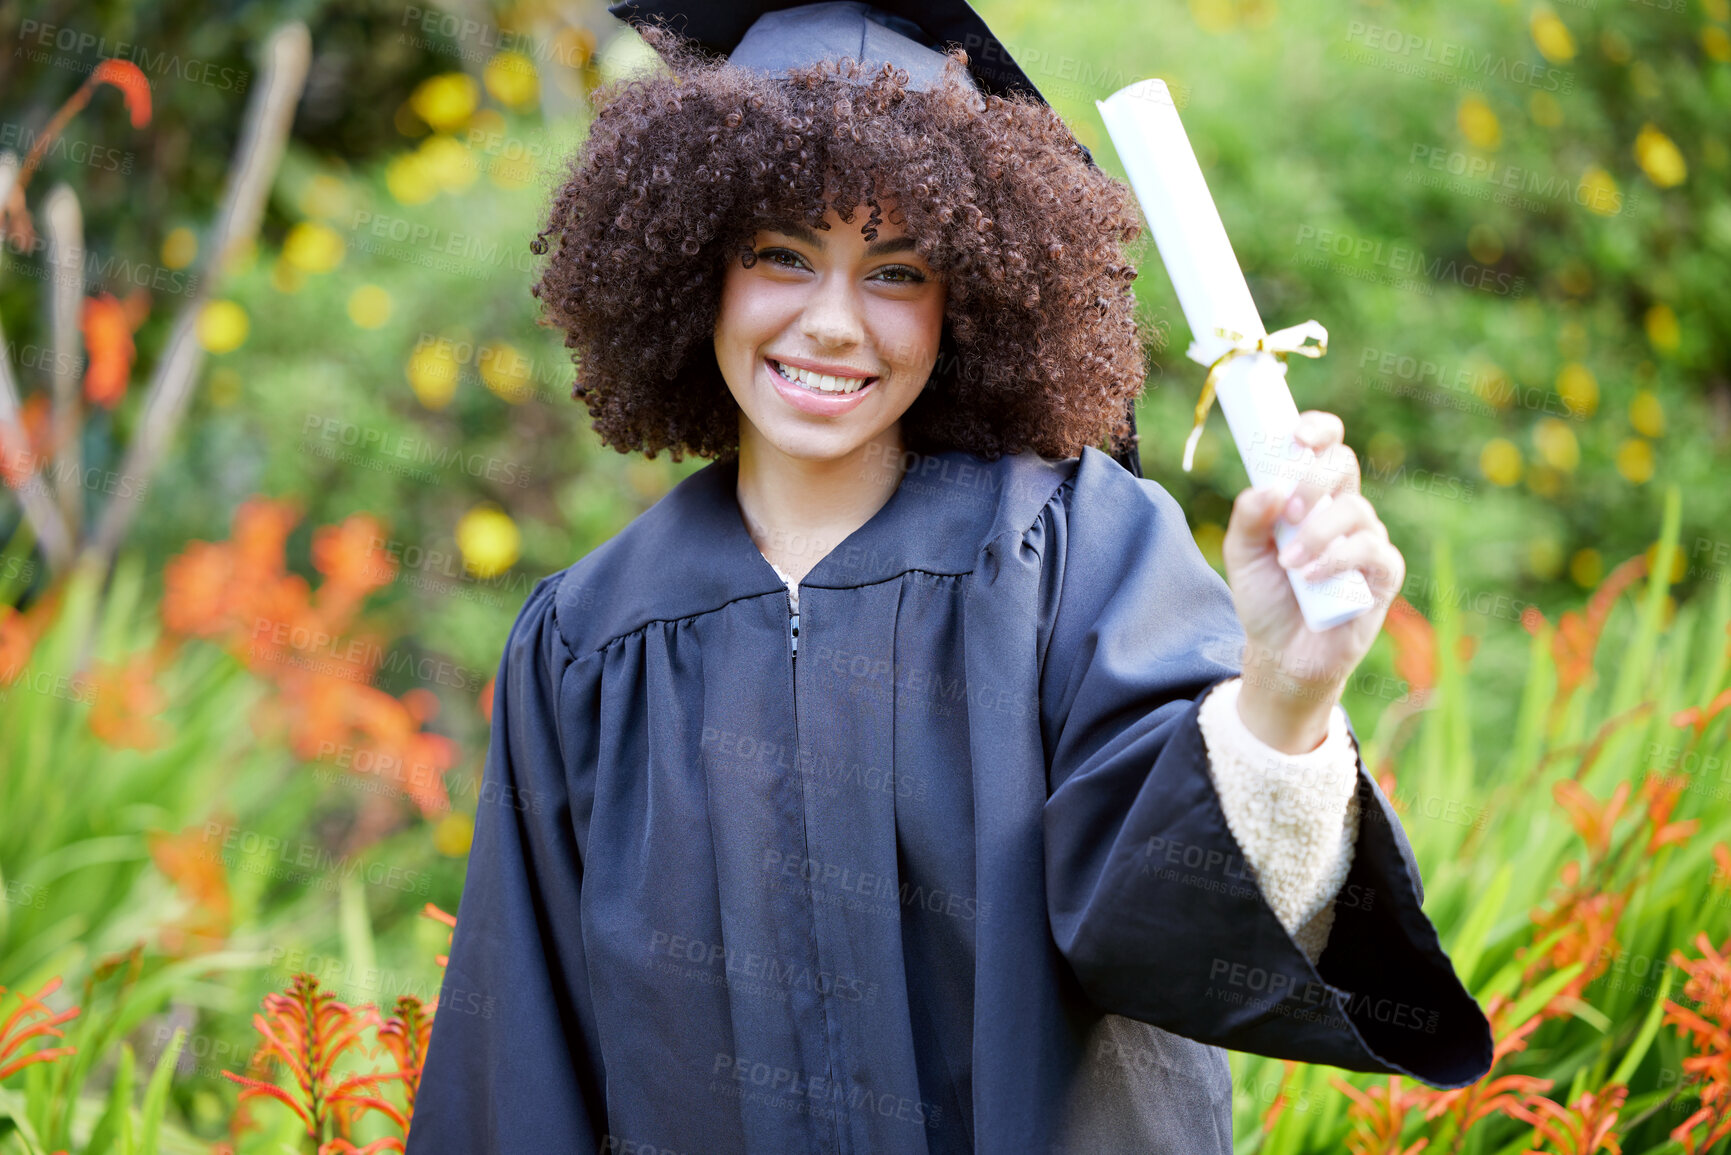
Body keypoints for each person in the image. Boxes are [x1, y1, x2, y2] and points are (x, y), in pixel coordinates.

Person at [404, 3, 1493, 1152]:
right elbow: (519, 1061)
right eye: (781, 254)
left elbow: (1166, 925)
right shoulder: (589, 642)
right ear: (691, 265)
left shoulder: (1074, 554)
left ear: (969, 300)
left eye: (896, 270)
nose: (830, 324)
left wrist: (1284, 689)